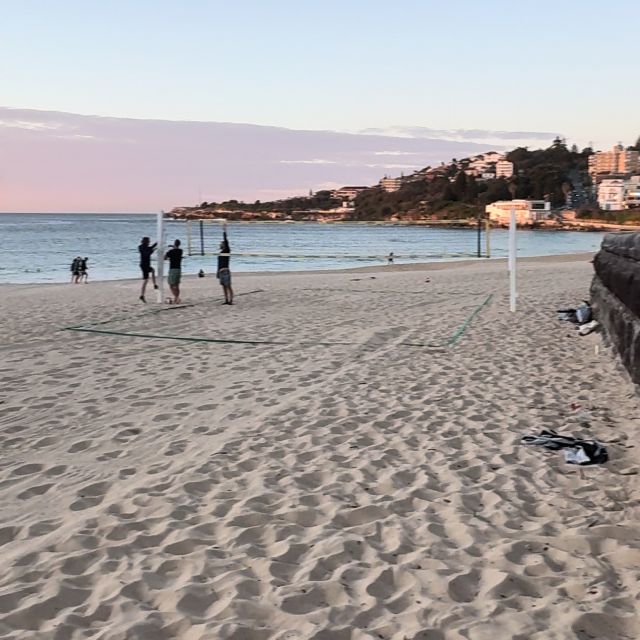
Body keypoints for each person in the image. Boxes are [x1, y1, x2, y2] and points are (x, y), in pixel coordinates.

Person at [217, 223, 233, 305]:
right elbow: (219, 263)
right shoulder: (221, 253)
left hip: (226, 271)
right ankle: (226, 300)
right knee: (223, 286)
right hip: (221, 271)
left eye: (221, 243)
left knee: (228, 286)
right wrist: (217, 273)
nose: (220, 244)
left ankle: (230, 300)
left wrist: (224, 230)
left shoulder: (226, 250)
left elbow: (226, 240)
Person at [138, 237, 159, 303]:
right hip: (144, 265)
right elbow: (147, 253)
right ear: (146, 242)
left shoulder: (145, 247)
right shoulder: (141, 247)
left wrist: (158, 242)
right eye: (148, 241)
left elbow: (151, 247)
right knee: (146, 280)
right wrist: (153, 250)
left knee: (152, 271)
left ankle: (155, 285)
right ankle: (142, 295)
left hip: (146, 265)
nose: (149, 242)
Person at [164, 239, 183, 304]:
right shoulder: (180, 251)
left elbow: (164, 258)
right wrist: (172, 246)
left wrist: (167, 252)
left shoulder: (171, 252)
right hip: (178, 269)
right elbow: (176, 248)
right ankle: (176, 298)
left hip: (172, 269)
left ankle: (177, 298)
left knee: (171, 284)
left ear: (174, 244)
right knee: (177, 285)